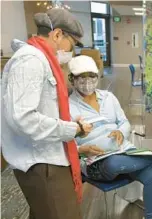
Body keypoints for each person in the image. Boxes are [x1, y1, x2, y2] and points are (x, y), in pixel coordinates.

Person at [1, 9, 92, 219]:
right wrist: (72, 129)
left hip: (47, 155)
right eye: (73, 44)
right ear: (58, 34)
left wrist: (68, 122)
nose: (72, 51)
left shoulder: (41, 59)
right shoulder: (31, 61)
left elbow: (42, 108)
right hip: (41, 161)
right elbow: (22, 118)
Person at [68, 56, 152, 219]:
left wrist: (121, 132)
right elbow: (65, 144)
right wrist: (83, 149)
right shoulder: (68, 106)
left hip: (123, 151)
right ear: (72, 79)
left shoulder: (108, 97)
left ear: (98, 77)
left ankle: (150, 217)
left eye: (92, 77)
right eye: (82, 77)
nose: (87, 82)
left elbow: (124, 122)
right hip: (96, 161)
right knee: (113, 163)